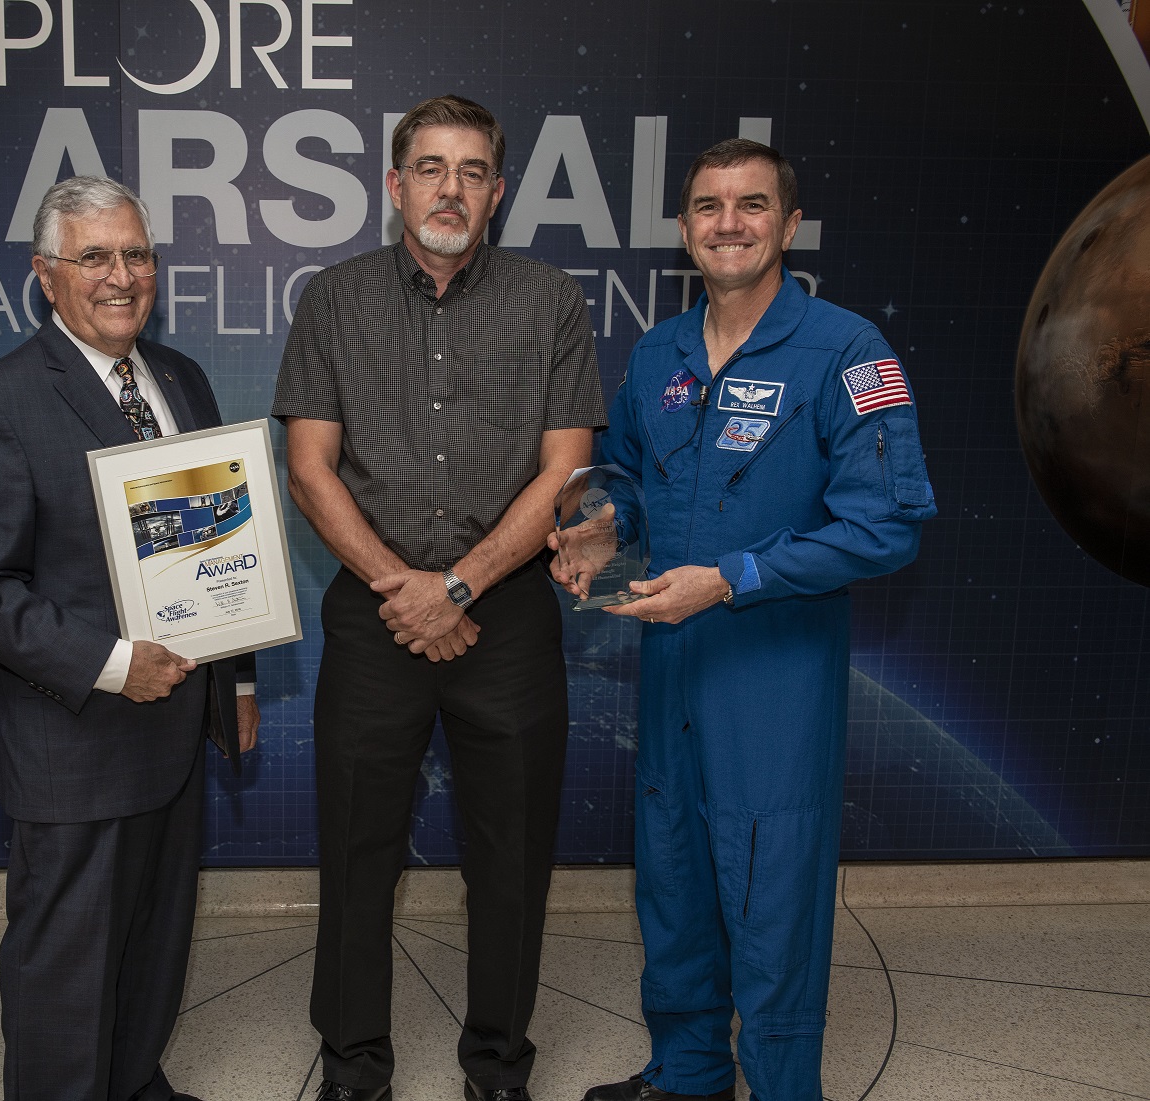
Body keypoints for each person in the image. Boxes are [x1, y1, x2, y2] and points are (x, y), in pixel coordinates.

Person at [553, 139, 937, 1101]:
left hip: (773, 677)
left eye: (752, 204)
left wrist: (732, 578)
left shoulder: (846, 352)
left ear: (789, 224)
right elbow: (638, 486)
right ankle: (687, 1073)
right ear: (684, 228)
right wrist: (607, 531)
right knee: (673, 878)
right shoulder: (660, 353)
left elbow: (888, 523)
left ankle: (779, 1087)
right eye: (710, 206)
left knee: (770, 897)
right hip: (674, 666)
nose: (730, 222)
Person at [272, 95, 605, 1101]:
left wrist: (455, 586)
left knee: (511, 858)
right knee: (356, 851)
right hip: (373, 611)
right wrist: (402, 589)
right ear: (393, 185)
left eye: (470, 171)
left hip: (501, 615)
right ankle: (352, 1063)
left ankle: (496, 1062)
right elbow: (306, 469)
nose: (447, 188)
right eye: (428, 167)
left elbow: (566, 470)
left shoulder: (549, 300)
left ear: (496, 192)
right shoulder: (333, 299)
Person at [0, 176, 259, 1101]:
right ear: (45, 275)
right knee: (62, 970)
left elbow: (217, 541)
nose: (122, 275)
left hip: (178, 727)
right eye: (95, 257)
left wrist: (234, 681)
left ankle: (132, 1083)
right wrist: (117, 665)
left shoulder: (182, 378)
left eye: (137, 254)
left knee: (155, 941)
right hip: (73, 738)